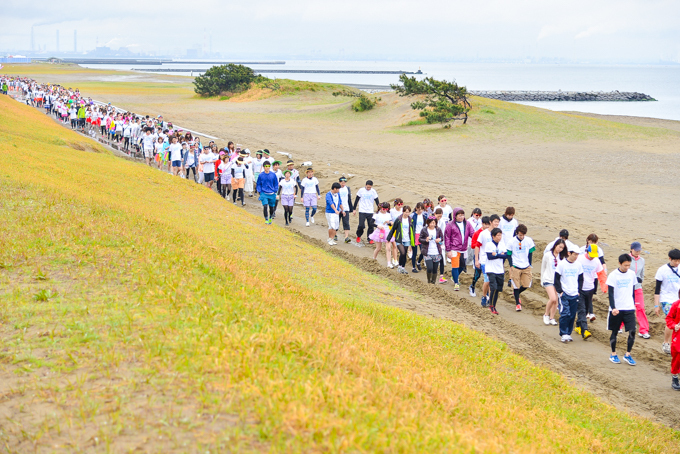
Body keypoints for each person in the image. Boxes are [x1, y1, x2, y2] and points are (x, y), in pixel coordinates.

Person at [606, 254, 638, 365]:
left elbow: (633, 291)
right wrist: (613, 307)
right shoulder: (613, 275)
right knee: (615, 331)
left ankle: (628, 354)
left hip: (629, 307)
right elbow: (610, 293)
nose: (627, 267)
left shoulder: (632, 274)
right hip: (617, 308)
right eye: (625, 265)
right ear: (620, 264)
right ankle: (613, 354)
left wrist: (633, 305)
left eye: (629, 265)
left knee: (632, 331)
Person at [574, 243, 603, 340]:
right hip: (580, 288)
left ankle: (578, 327)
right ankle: (585, 331)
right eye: (591, 255)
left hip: (590, 288)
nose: (592, 258)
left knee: (586, 309)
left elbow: (600, 273)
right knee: (581, 310)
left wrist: (603, 286)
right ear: (587, 251)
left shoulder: (596, 261)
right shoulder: (580, 259)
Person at [554, 243, 583, 342]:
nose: (576, 257)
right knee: (565, 313)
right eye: (574, 254)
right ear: (569, 253)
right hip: (564, 293)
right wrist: (560, 291)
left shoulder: (578, 265)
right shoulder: (562, 264)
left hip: (574, 293)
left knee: (572, 314)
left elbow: (580, 279)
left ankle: (568, 333)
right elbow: (556, 279)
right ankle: (563, 333)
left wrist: (579, 291)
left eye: (577, 255)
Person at [654, 249, 680, 355]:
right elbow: (657, 289)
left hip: (678, 299)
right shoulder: (662, 270)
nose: (677, 263)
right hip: (666, 300)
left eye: (679, 260)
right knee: (672, 320)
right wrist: (656, 305)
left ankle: (674, 342)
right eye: (675, 261)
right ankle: (666, 343)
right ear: (670, 259)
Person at [444, 208, 474, 291]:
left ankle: (454, 276)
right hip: (454, 248)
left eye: (462, 215)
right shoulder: (450, 225)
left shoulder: (467, 224)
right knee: (455, 266)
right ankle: (456, 283)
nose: (461, 217)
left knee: (462, 266)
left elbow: (472, 233)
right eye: (459, 215)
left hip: (464, 248)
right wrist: (448, 250)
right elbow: (447, 237)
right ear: (455, 216)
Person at [506, 224, 535, 311]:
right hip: (515, 265)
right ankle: (517, 304)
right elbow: (509, 254)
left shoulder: (529, 240)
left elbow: (530, 252)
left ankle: (516, 294)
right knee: (516, 286)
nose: (522, 237)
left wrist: (530, 263)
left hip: (525, 265)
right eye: (520, 235)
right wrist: (511, 265)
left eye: (523, 235)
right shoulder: (511, 241)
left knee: (526, 285)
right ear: (517, 233)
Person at [541, 239, 566, 325]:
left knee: (556, 301)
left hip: (557, 281)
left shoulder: (561, 258)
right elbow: (543, 267)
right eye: (559, 247)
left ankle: (552, 317)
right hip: (548, 279)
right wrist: (542, 279)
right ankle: (546, 315)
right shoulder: (548, 255)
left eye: (562, 248)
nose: (560, 249)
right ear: (555, 245)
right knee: (553, 298)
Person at [477, 214, 500, 307]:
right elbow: (477, 246)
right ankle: (484, 296)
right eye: (495, 222)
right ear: (490, 222)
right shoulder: (483, 233)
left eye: (498, 222)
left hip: (494, 261)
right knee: (488, 280)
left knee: (492, 282)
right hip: (484, 260)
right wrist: (476, 260)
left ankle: (490, 299)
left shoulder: (498, 234)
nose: (497, 224)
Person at [484, 227, 508, 315]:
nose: (499, 237)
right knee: (493, 287)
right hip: (490, 269)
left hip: (500, 269)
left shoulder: (502, 244)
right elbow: (490, 257)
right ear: (493, 236)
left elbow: (505, 255)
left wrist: (496, 254)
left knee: (498, 288)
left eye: (500, 235)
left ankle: (494, 305)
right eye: (498, 235)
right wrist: (499, 255)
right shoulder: (489, 244)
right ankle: (491, 305)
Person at [630, 242, 650, 339]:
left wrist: (640, 281)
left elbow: (642, 273)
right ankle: (619, 326)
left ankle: (644, 330)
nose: (638, 252)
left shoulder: (642, 260)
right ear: (631, 249)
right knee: (624, 306)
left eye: (639, 250)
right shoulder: (627, 259)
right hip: (627, 287)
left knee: (641, 308)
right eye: (636, 250)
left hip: (637, 287)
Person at [387, 205, 415, 275]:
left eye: (408, 212)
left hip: (407, 239)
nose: (407, 214)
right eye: (406, 212)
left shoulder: (410, 220)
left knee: (404, 254)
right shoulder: (399, 219)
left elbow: (412, 230)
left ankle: (403, 267)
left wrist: (413, 238)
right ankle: (400, 266)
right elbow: (393, 229)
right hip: (399, 239)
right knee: (402, 252)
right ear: (403, 212)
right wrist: (388, 238)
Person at [419, 217, 444, 284]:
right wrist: (426, 240)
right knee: (429, 268)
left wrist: (439, 240)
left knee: (435, 269)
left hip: (436, 252)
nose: (432, 224)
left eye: (434, 223)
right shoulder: (424, 230)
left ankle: (433, 282)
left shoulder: (438, 229)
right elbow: (420, 239)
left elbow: (442, 237)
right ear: (428, 223)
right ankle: (429, 281)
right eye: (431, 223)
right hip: (428, 252)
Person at [469, 216, 490, 297]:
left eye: (488, 224)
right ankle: (472, 286)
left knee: (488, 276)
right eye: (486, 224)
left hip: (488, 257)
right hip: (478, 255)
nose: (487, 226)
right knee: (477, 274)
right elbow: (473, 245)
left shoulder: (491, 233)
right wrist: (480, 245)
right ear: (482, 224)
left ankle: (487, 293)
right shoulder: (477, 233)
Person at [370, 202, 395, 268]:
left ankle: (389, 263)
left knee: (388, 248)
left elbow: (389, 224)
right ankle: (373, 259)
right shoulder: (377, 214)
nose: (384, 210)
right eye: (383, 208)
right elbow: (371, 223)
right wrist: (378, 226)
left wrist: (390, 223)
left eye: (386, 209)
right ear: (380, 208)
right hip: (379, 232)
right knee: (378, 248)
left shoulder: (388, 214)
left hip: (387, 231)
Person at [664, 291, 680, 390]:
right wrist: (674, 326)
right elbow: (669, 318)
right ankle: (674, 376)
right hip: (678, 335)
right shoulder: (676, 305)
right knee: (677, 355)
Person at [410, 203, 427, 273]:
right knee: (415, 252)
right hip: (414, 235)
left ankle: (418, 262)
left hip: (421, 235)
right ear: (416, 208)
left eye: (422, 209)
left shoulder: (424, 216)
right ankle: (413, 267)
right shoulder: (413, 215)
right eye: (419, 209)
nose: (420, 211)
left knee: (423, 251)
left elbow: (425, 225)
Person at [337, 177, 353, 243]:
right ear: (339, 182)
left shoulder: (347, 188)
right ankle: (335, 235)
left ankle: (346, 237)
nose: (343, 184)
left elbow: (349, 198)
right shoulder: (337, 188)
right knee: (336, 222)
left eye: (344, 183)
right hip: (337, 209)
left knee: (346, 223)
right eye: (342, 183)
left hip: (346, 208)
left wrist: (352, 208)